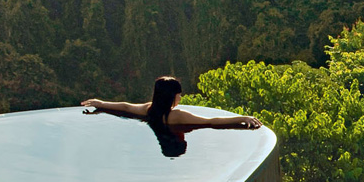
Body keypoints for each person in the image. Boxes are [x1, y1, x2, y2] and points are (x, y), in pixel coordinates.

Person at [81, 76, 261, 129]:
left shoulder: (149, 109)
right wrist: (240, 118)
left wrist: (102, 103)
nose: (180, 98)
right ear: (171, 96)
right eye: (178, 94)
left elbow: (126, 107)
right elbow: (211, 121)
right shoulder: (177, 116)